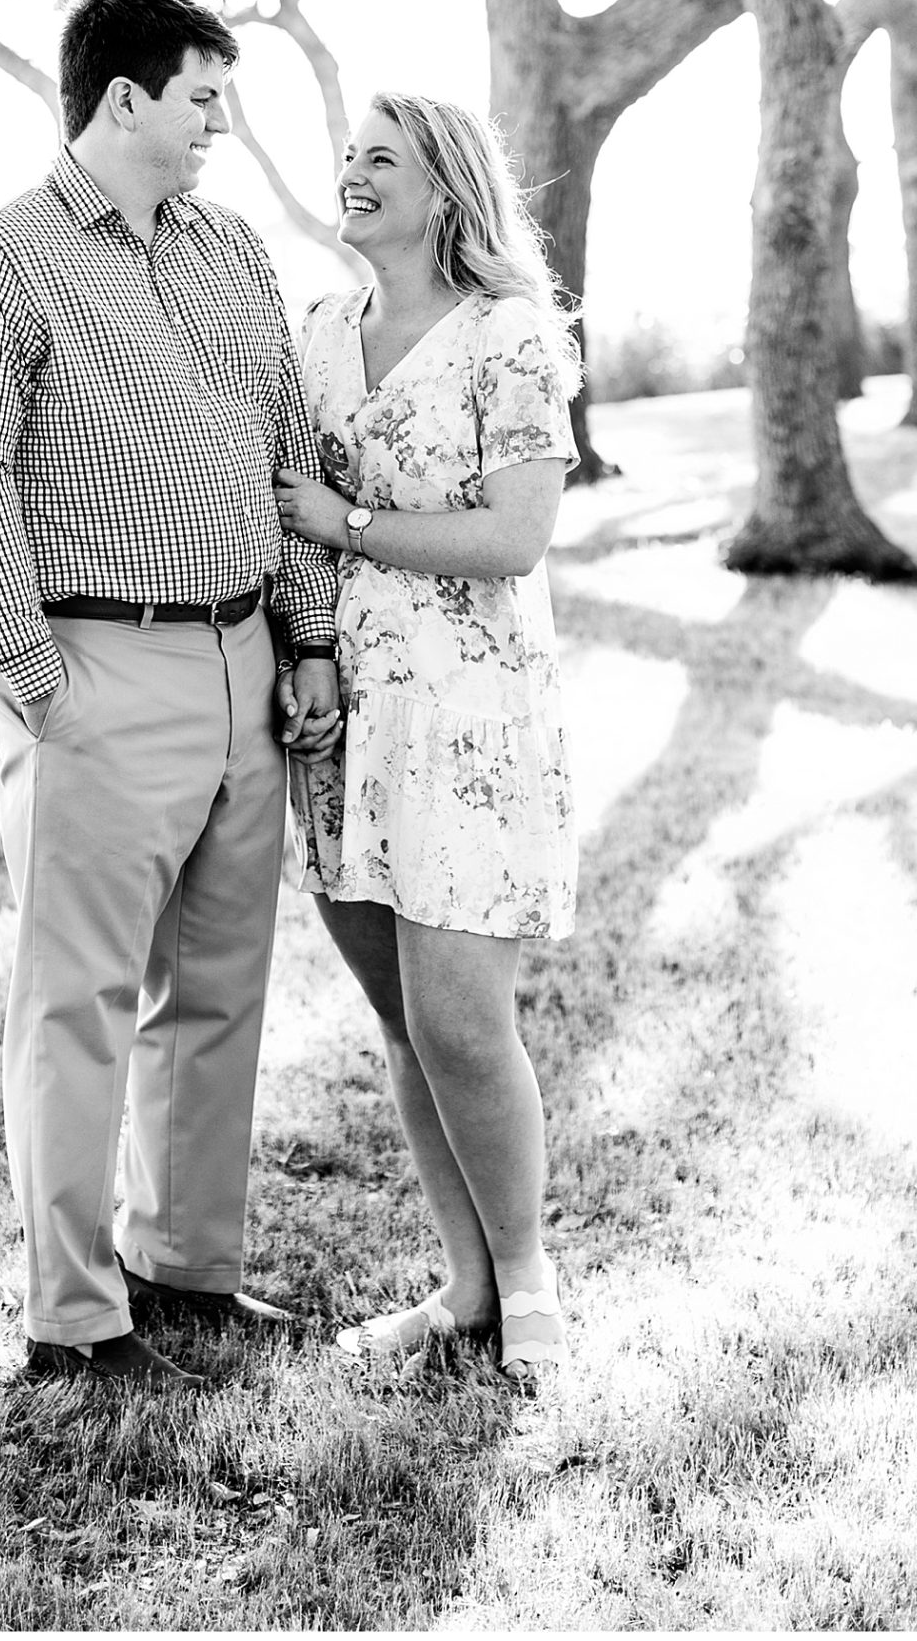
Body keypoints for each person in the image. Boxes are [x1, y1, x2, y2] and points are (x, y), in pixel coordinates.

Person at [0, 0, 341, 1391]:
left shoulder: (231, 253)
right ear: (125, 101)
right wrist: (38, 680)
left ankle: (188, 1273)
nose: (223, 125)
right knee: (78, 1001)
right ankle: (73, 1315)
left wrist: (303, 637)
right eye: (206, 98)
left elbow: (284, 449)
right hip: (98, 667)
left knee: (218, 992)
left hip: (241, 666)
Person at [273, 90, 579, 1385]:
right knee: (402, 1023)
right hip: (343, 723)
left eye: (381, 159)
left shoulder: (510, 338)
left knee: (463, 1020)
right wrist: (305, 654)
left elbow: (511, 539)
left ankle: (529, 1280)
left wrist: (341, 524)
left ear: (445, 188)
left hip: (467, 718)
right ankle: (461, 1288)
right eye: (348, 155)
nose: (352, 173)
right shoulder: (316, 335)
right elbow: (279, 518)